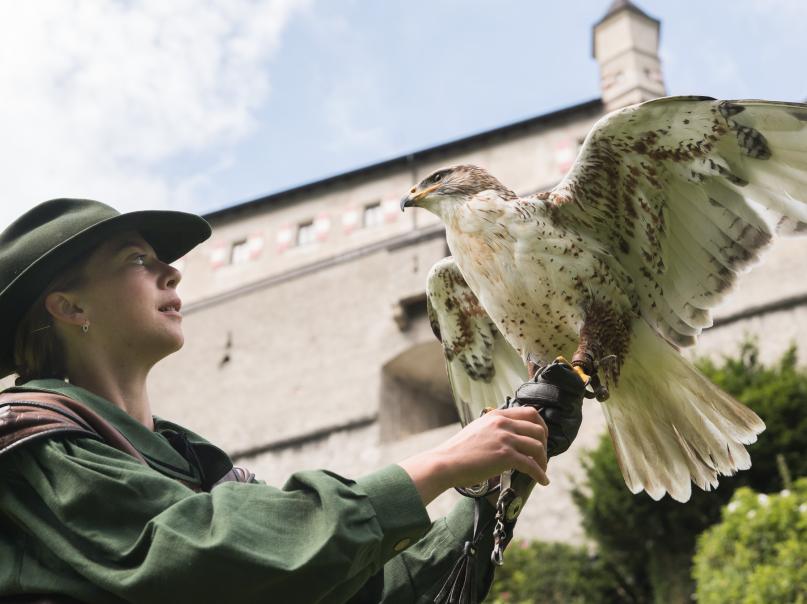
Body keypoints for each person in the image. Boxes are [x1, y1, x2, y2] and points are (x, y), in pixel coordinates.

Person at [0, 198, 581, 603]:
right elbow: (206, 556)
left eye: (164, 261)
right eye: (137, 260)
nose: (172, 274)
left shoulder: (201, 467)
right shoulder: (30, 447)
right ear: (70, 308)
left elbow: (369, 589)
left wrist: (500, 478)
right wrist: (438, 463)